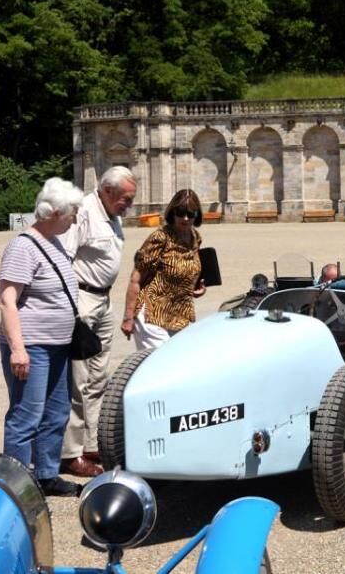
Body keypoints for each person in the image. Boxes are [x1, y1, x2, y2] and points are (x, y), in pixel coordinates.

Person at [0, 177, 85, 497]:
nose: (75, 217)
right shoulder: (22, 246)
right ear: (54, 212)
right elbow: (7, 300)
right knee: (26, 416)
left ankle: (46, 475)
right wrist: (18, 350)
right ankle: (17, 485)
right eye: (72, 212)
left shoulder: (55, 242)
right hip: (31, 345)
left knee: (57, 412)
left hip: (58, 344)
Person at [58, 166, 137, 478]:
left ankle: (92, 444)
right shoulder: (85, 213)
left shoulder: (112, 215)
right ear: (107, 191)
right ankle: (71, 453)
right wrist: (73, 310)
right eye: (126, 199)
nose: (129, 205)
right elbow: (64, 258)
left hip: (103, 300)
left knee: (99, 378)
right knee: (78, 379)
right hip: (83, 300)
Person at [122, 189, 207, 350]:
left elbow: (187, 270)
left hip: (181, 315)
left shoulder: (195, 238)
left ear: (197, 214)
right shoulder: (160, 238)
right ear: (172, 212)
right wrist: (128, 317)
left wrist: (196, 287)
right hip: (153, 314)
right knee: (158, 366)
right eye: (181, 213)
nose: (186, 218)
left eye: (191, 213)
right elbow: (136, 278)